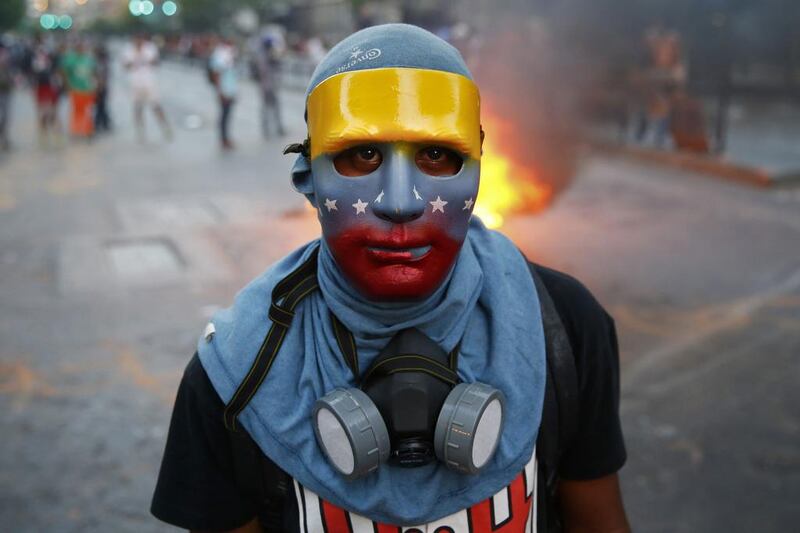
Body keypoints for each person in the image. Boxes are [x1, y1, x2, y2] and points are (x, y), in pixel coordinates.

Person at [152, 24, 629, 533]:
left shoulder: (562, 327)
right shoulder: (232, 375)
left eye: (436, 155)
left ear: (478, 172)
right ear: (307, 180)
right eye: (361, 155)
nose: (400, 201)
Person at [121, 34, 171, 142]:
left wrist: (146, 60)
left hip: (149, 83)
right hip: (135, 83)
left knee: (156, 106)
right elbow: (125, 65)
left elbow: (157, 62)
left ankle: (165, 128)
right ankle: (140, 131)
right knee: (138, 107)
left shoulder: (150, 48)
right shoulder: (128, 50)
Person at [60, 39, 96, 138]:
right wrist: (68, 85)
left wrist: (95, 85)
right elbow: (64, 72)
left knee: (88, 111)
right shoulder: (71, 59)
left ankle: (88, 130)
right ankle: (77, 130)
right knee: (77, 111)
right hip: (76, 89)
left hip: (88, 89)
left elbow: (93, 73)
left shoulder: (89, 59)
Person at [209, 36, 239, 150]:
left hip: (229, 90)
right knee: (224, 115)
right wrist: (220, 91)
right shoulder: (220, 54)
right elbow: (216, 74)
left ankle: (226, 138)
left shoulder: (228, 53)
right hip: (224, 90)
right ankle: (223, 139)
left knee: (227, 115)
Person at [253, 36, 286, 138]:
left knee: (271, 108)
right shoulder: (265, 57)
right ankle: (269, 129)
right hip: (268, 87)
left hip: (267, 86)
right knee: (268, 108)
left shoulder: (263, 56)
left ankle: (272, 129)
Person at [93, 43, 112, 133]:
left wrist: (101, 86)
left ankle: (102, 123)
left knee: (101, 106)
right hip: (99, 87)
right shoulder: (100, 62)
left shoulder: (102, 62)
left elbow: (104, 76)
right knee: (100, 107)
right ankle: (103, 123)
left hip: (100, 88)